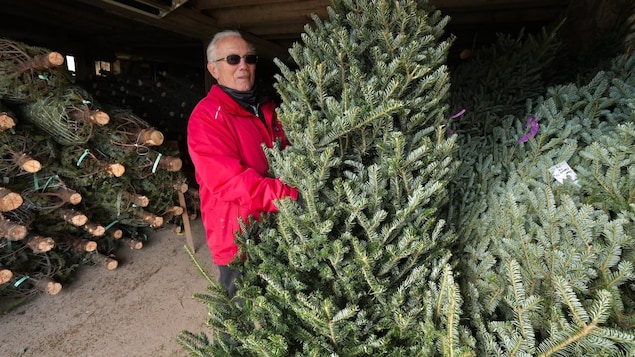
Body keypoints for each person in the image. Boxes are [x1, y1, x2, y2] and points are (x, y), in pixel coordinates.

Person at [187, 30, 298, 297]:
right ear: (213, 69)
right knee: (239, 318)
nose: (243, 66)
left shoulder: (266, 109)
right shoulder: (207, 117)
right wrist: (292, 195)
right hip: (237, 237)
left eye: (249, 59)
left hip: (277, 228)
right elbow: (229, 181)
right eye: (233, 59)